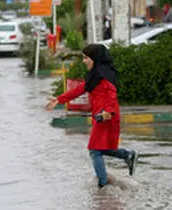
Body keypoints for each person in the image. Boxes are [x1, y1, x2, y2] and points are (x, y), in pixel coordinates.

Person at [45, 44, 139, 189]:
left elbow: (111, 95)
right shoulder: (95, 74)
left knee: (95, 150)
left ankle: (103, 185)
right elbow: (80, 89)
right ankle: (128, 155)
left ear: (95, 58)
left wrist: (108, 112)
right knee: (101, 147)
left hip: (106, 116)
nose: (84, 61)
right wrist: (59, 99)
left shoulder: (104, 74)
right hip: (101, 116)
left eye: (86, 58)